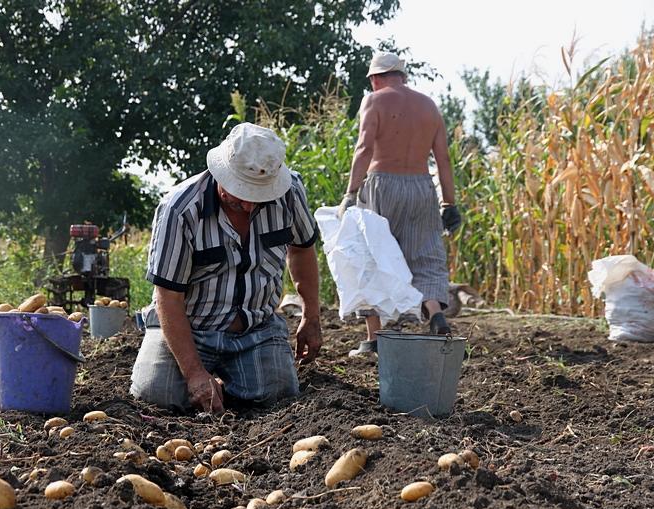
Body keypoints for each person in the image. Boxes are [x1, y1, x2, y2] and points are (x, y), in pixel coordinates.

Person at [130, 123, 323, 413]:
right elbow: (168, 298)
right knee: (155, 394)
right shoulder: (180, 209)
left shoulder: (290, 192)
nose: (248, 206)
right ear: (223, 173)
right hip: (191, 326)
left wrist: (312, 315)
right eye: (240, 193)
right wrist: (194, 373)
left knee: (280, 395)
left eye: (258, 197)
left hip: (255, 328)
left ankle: (230, 384)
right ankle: (204, 377)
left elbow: (302, 249)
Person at [339, 51, 462, 356]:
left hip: (382, 184)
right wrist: (449, 203)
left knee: (369, 255)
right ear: (402, 75)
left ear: (375, 78)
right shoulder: (429, 105)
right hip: (422, 186)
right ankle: (435, 314)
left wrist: (350, 192)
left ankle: (375, 337)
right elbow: (443, 159)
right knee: (426, 255)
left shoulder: (374, 100)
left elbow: (365, 147)